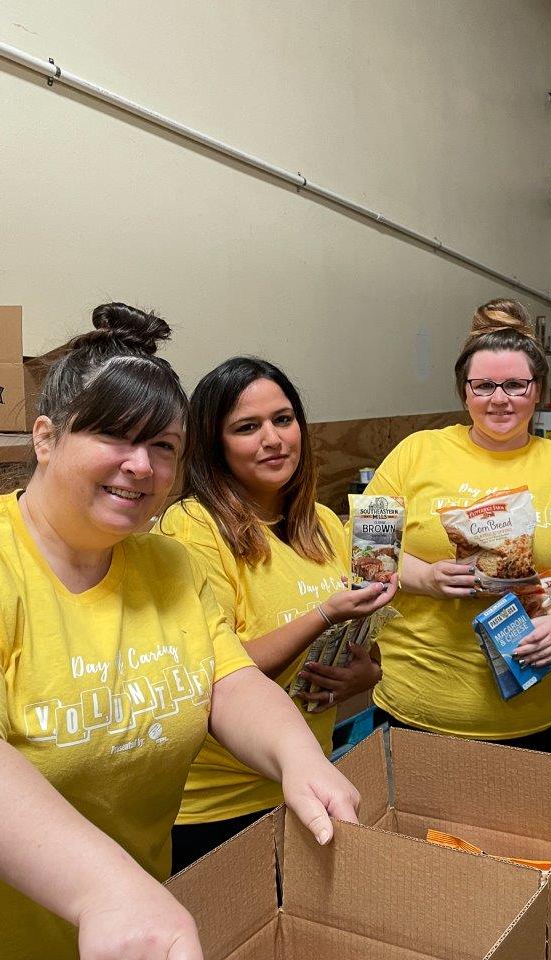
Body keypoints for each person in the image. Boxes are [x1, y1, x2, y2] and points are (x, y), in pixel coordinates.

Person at [0, 304, 359, 960]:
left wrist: (299, 759)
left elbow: (230, 682)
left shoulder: (166, 561)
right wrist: (105, 889)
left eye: (163, 446)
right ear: (46, 438)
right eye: (115, 436)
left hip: (133, 933)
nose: (141, 465)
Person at [158, 357, 396, 873]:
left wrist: (362, 673)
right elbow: (216, 671)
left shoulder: (327, 526)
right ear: (213, 443)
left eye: (283, 420)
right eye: (247, 427)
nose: (273, 439)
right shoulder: (193, 526)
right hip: (219, 804)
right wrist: (324, 614)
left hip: (310, 778)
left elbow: (368, 654)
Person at [365, 299, 551, 752]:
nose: (499, 399)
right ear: (464, 391)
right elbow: (367, 550)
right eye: (484, 385)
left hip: (543, 702)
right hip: (422, 698)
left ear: (538, 388)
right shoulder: (417, 453)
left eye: (514, 384)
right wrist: (425, 577)